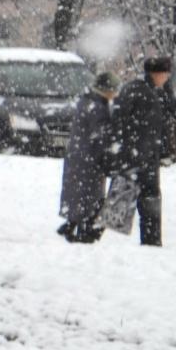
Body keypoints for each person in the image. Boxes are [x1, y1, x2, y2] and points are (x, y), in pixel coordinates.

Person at [109, 55, 176, 247]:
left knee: (149, 198)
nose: (168, 76)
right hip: (135, 156)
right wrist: (128, 147)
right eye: (166, 73)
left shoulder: (157, 92)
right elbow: (119, 120)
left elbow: (168, 117)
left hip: (147, 155)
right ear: (156, 73)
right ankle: (109, 243)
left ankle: (151, 241)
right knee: (128, 199)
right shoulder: (136, 91)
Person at [57, 71, 118, 244]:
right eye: (114, 90)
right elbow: (102, 133)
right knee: (90, 196)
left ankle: (72, 224)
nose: (115, 94)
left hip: (78, 155)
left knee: (78, 194)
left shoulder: (87, 101)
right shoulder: (97, 106)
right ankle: (84, 231)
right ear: (106, 90)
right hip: (89, 158)